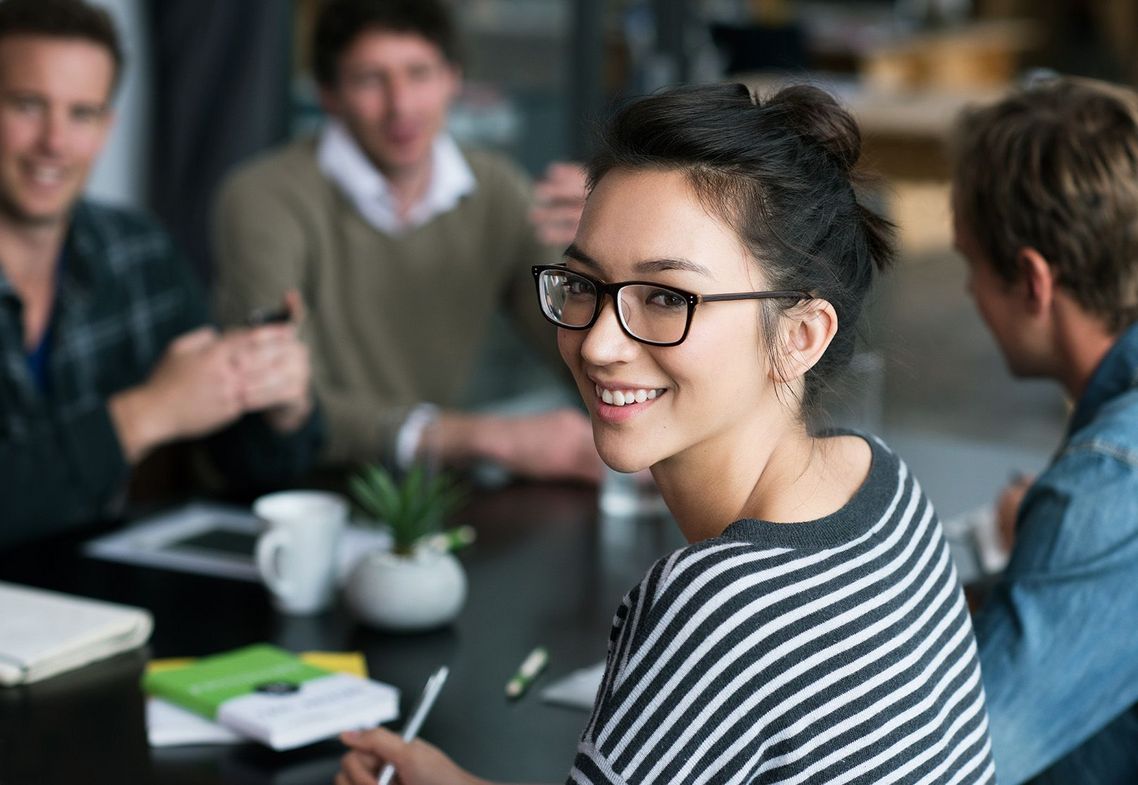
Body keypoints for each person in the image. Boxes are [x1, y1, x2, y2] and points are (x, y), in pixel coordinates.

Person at [335, 83, 996, 784]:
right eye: (583, 284)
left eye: (665, 298)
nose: (597, 344)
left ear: (801, 335)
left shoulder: (717, 605)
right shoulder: (881, 484)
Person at [213, 0, 599, 481]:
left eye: (419, 73)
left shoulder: (495, 188)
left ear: (453, 78)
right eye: (370, 80)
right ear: (329, 94)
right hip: (297, 490)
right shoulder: (264, 196)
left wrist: (606, 257)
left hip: (427, 494)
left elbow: (576, 349)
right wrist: (487, 437)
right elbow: (282, 398)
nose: (402, 105)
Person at [0, 0, 322, 547]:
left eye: (82, 114)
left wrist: (281, 407)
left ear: (107, 127)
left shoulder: (138, 251)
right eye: (28, 106)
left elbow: (252, 471)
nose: (54, 143)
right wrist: (145, 415)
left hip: (97, 603)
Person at [951, 76, 1138, 784]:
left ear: (1032, 280)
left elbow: (964, 763)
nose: (968, 291)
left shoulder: (1109, 482)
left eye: (971, 264)